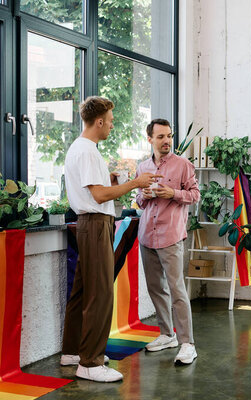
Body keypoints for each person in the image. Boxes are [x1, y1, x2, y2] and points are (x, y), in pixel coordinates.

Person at [60, 96, 161, 382]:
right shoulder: (88, 151)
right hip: (95, 225)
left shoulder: (79, 148)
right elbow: (99, 196)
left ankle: (73, 352)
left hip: (89, 224)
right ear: (100, 121)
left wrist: (114, 182)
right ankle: (90, 363)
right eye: (111, 121)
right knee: (100, 293)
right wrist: (135, 183)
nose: (112, 127)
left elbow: (99, 190)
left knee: (82, 291)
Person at [136, 118, 200, 364]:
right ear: (150, 139)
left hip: (171, 236)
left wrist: (172, 193)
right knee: (155, 288)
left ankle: (187, 343)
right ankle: (166, 334)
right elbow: (139, 201)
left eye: (169, 136)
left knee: (177, 290)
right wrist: (145, 195)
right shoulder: (142, 168)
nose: (167, 141)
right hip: (147, 236)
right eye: (161, 137)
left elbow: (195, 195)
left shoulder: (183, 165)